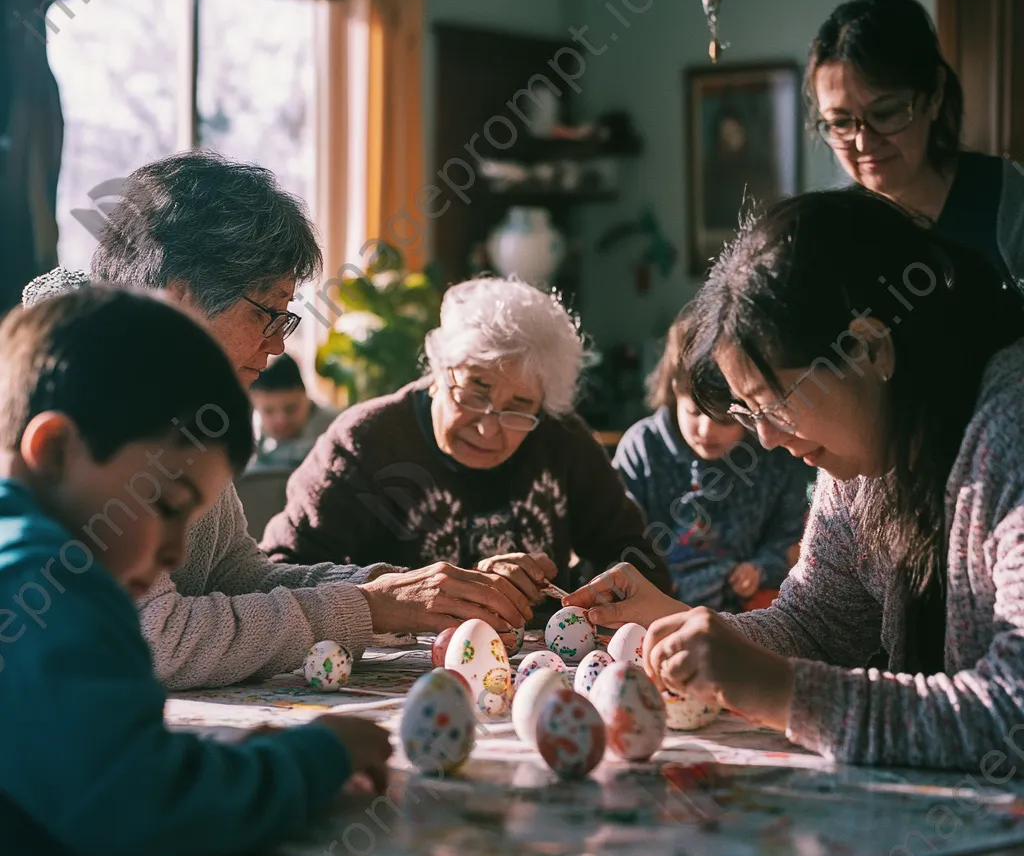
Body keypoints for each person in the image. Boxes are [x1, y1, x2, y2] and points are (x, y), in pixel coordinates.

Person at [20, 151, 529, 689]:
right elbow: (156, 639)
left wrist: (401, 593)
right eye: (266, 312)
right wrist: (365, 608)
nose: (279, 343)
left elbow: (235, 576)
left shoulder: (186, 403)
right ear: (179, 295)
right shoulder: (87, 400)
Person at [567, 190, 1024, 770]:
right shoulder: (868, 446)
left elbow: (1013, 715)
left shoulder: (1011, 430)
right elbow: (818, 627)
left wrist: (780, 693)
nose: (766, 440)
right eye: (749, 415)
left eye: (773, 406)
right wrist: (669, 624)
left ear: (868, 348)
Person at [0, 288, 391, 856]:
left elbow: (93, 757)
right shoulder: (51, 580)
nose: (179, 549)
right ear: (56, 451)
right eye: (169, 503)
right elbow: (145, 805)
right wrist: (316, 757)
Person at [261, 277, 673, 612]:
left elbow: (637, 561)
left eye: (519, 407)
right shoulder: (365, 442)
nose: (488, 428)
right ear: (438, 370)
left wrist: (588, 600)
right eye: (475, 393)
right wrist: (401, 594)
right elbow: (280, 576)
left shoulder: (560, 438)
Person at [808, 0, 1024, 289]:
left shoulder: (1006, 200)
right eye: (841, 122)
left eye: (886, 113)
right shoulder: (832, 226)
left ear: (934, 95)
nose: (863, 143)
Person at [613, 302, 811, 614]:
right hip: (652, 609)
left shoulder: (774, 455)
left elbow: (790, 541)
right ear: (672, 392)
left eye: (725, 420)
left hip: (742, 617)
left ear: (750, 409)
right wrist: (650, 581)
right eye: (693, 412)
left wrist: (760, 568)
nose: (706, 430)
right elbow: (617, 540)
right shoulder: (642, 449)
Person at [249, 353, 339, 471]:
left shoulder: (336, 429)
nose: (281, 420)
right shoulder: (251, 437)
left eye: (290, 409)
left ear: (305, 396)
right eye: (268, 411)